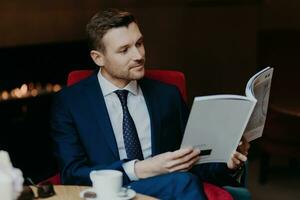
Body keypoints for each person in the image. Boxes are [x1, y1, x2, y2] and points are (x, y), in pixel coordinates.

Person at [50, 9, 250, 199]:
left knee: (182, 181)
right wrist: (140, 169)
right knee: (182, 182)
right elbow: (72, 173)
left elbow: (194, 161)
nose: (138, 56)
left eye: (139, 43)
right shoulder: (70, 102)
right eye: (124, 50)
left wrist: (227, 163)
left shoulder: (167, 96)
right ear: (98, 58)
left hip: (169, 188)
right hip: (110, 192)